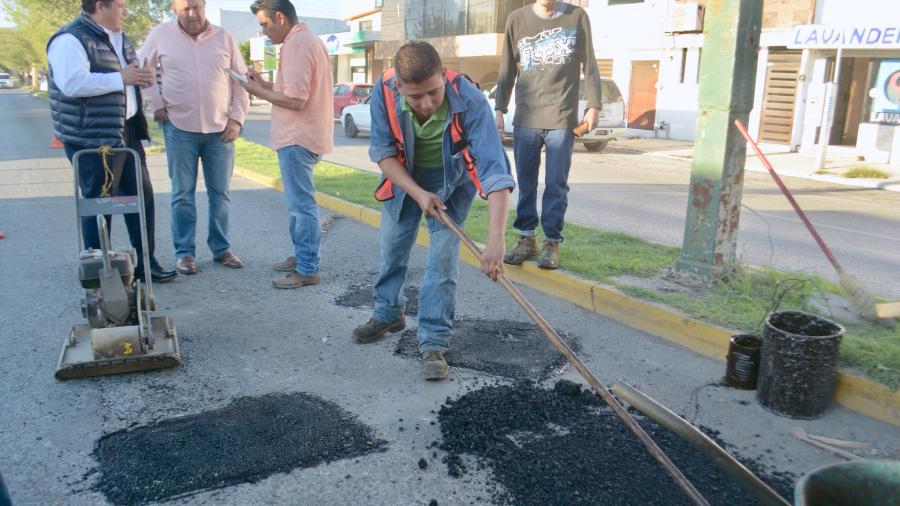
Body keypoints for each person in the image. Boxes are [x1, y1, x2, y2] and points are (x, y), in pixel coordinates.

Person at [352, 41, 514, 381]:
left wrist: (495, 240)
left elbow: (495, 171)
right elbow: (382, 153)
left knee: (442, 260)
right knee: (392, 250)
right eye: (415, 97)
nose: (426, 104)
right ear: (399, 87)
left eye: (433, 93)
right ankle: (387, 314)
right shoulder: (383, 92)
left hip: (452, 184)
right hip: (403, 178)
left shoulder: (469, 99)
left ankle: (434, 342)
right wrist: (418, 192)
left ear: (444, 75)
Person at [47, 0, 176, 283]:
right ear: (99, 6)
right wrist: (121, 78)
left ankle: (145, 263)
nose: (126, 11)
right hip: (93, 138)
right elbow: (71, 84)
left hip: (126, 131)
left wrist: (139, 79)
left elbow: (124, 78)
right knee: (99, 205)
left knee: (140, 199)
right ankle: (98, 273)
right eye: (121, 5)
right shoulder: (70, 39)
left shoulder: (119, 36)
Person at [138, 0, 249, 275]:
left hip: (220, 130)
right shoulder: (159, 35)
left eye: (196, 6)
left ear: (204, 6)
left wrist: (237, 119)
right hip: (179, 127)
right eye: (185, 8)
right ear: (174, 9)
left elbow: (240, 80)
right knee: (182, 194)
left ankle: (221, 248)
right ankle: (185, 253)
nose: (192, 13)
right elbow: (143, 70)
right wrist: (156, 104)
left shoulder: (224, 37)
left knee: (220, 194)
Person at [494, 0, 603, 270]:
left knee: (556, 183)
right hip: (526, 117)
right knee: (526, 183)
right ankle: (526, 238)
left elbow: (589, 63)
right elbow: (507, 69)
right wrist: (499, 109)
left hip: (561, 116)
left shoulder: (577, 16)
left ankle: (552, 241)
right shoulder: (517, 19)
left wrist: (594, 105)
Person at [234, 0, 333, 289]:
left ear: (280, 17)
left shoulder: (299, 43)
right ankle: (304, 257)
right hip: (301, 136)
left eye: (265, 24)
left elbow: (296, 100)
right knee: (298, 206)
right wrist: (263, 85)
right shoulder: (302, 40)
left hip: (297, 137)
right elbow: (290, 91)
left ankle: (307, 268)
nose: (263, 31)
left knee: (301, 207)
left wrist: (256, 92)